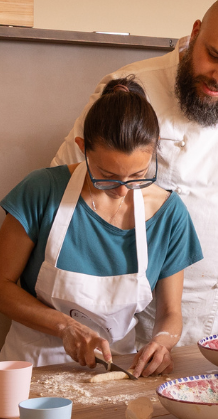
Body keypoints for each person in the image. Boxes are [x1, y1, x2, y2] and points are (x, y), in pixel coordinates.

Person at [52, 0, 218, 346]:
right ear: (195, 33)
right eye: (214, 56)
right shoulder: (128, 87)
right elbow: (66, 190)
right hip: (135, 317)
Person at [0, 78, 202, 376]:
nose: (122, 190)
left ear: (155, 149)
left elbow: (170, 312)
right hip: (32, 367)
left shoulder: (169, 215)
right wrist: (65, 326)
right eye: (106, 176)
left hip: (116, 371)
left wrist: (162, 343)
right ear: (83, 148)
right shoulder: (42, 190)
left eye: (138, 175)